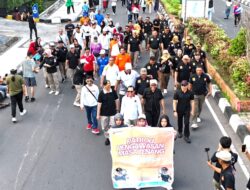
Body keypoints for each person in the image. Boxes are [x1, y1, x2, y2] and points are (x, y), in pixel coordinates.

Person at [97, 80, 119, 145]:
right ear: (104, 85)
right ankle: (107, 138)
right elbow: (99, 104)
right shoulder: (101, 93)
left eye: (109, 83)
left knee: (113, 125)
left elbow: (117, 100)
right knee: (105, 126)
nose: (109, 85)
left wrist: (117, 109)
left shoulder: (113, 91)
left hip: (113, 112)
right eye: (107, 84)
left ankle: (112, 137)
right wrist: (98, 114)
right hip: (104, 113)